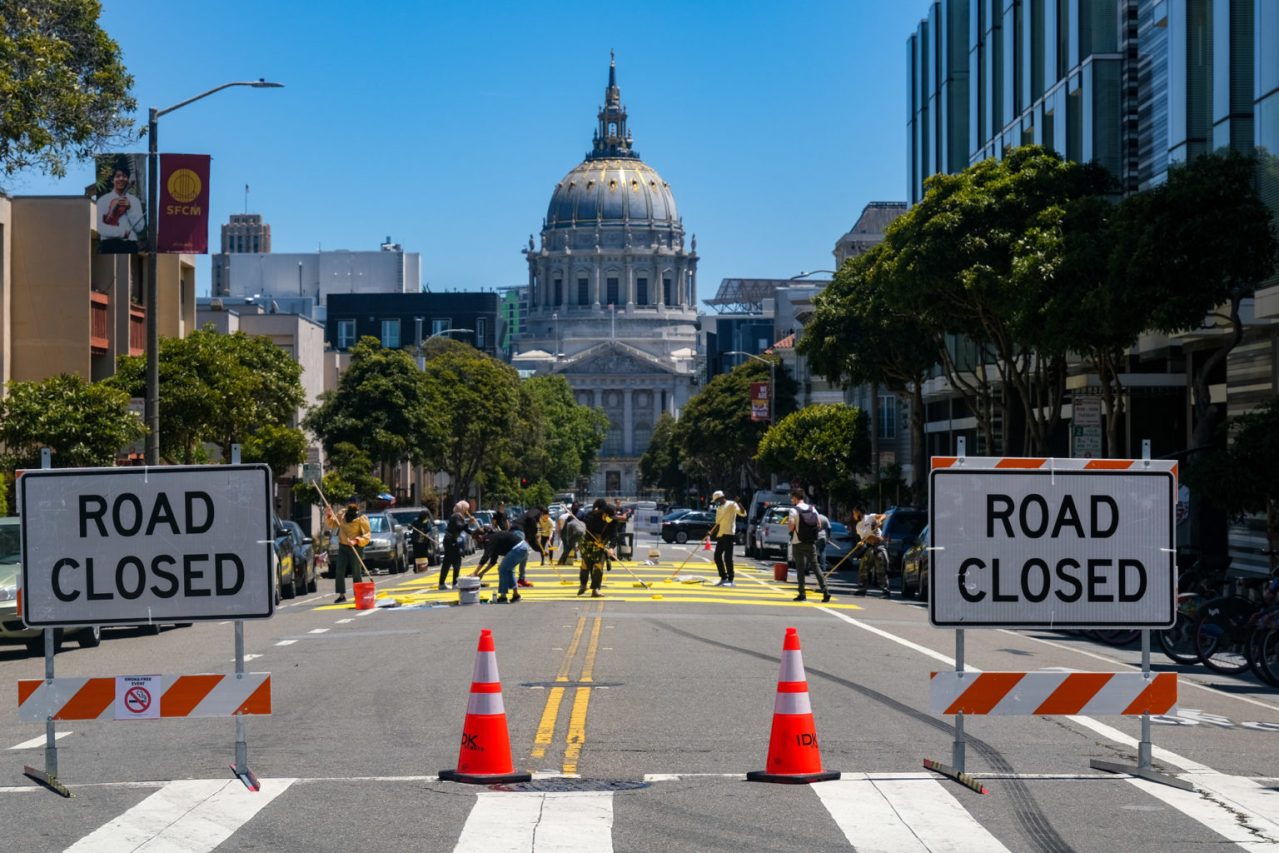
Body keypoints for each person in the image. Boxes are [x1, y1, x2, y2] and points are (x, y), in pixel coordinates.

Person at [787, 488, 831, 603]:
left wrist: (791, 525)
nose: (792, 500)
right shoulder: (813, 509)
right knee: (816, 567)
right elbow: (819, 524)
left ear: (796, 498)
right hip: (810, 543)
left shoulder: (793, 510)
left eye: (792, 498)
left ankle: (802, 594)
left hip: (797, 542)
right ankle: (825, 591)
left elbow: (791, 527)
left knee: (800, 569)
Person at [324, 498, 371, 604]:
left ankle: (357, 595)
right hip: (343, 547)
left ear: (358, 506)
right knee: (339, 570)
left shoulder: (362, 518)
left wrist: (356, 541)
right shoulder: (342, 514)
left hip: (356, 548)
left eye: (354, 504)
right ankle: (341, 595)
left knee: (356, 572)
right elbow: (331, 524)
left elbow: (367, 535)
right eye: (350, 503)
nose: (352, 506)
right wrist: (329, 514)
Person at [97, 155, 146, 253]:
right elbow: (100, 228)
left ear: (128, 180)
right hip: (108, 244)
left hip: (129, 245)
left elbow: (140, 228)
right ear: (112, 180)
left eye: (124, 176)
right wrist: (121, 232)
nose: (121, 179)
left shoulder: (134, 200)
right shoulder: (103, 200)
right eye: (118, 176)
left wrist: (130, 209)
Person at [709, 489, 746, 587]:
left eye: (717, 500)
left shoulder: (732, 505)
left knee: (727, 558)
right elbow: (717, 523)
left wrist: (739, 503)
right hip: (721, 534)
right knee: (717, 557)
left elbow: (743, 513)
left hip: (729, 534)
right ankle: (723, 577)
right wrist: (711, 531)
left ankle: (731, 579)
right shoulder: (719, 509)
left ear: (720, 498)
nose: (716, 502)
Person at [579, 498, 614, 597]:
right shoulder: (592, 516)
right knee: (586, 564)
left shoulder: (612, 521)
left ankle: (595, 589)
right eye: (608, 516)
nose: (609, 518)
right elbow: (588, 527)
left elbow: (614, 535)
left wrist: (611, 547)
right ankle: (583, 584)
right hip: (588, 543)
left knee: (598, 566)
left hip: (601, 545)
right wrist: (595, 539)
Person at [853, 507, 889, 597]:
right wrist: (862, 542)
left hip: (879, 546)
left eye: (854, 513)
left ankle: (885, 591)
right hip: (869, 547)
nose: (853, 515)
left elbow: (884, 515)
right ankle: (862, 589)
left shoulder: (871, 517)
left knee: (880, 569)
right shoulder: (859, 526)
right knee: (863, 568)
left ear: (859, 513)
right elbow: (867, 538)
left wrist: (879, 521)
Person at [440, 500, 470, 590]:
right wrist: (468, 523)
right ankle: (455, 582)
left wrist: (476, 533)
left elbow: (465, 529)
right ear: (462, 508)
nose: (466, 511)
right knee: (456, 561)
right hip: (451, 541)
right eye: (466, 509)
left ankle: (442, 583)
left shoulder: (459, 516)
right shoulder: (456, 516)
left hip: (450, 540)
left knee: (447, 562)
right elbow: (459, 526)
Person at [517, 508, 541, 587]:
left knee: (525, 555)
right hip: (518, 532)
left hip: (520, 533)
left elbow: (531, 539)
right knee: (516, 556)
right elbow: (532, 537)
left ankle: (521, 579)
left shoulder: (528, 518)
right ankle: (512, 580)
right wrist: (535, 533)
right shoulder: (533, 514)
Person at [557, 501, 585, 566]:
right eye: (573, 506)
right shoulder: (570, 517)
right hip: (572, 534)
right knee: (568, 549)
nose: (574, 508)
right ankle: (561, 562)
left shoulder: (581, 514)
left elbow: (585, 522)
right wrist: (563, 535)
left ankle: (585, 562)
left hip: (580, 532)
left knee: (582, 548)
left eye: (575, 506)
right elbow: (565, 528)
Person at [408, 508, 435, 573]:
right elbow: (410, 527)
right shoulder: (416, 520)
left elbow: (430, 530)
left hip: (424, 542)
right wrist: (410, 526)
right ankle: (416, 568)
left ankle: (423, 567)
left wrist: (428, 535)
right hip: (416, 542)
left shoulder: (427, 521)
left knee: (424, 554)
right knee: (416, 555)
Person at [816, 509, 832, 574]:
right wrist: (828, 537)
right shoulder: (825, 518)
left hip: (815, 537)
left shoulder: (814, 516)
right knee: (822, 552)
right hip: (823, 536)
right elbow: (829, 528)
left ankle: (808, 568)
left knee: (812, 553)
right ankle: (823, 567)